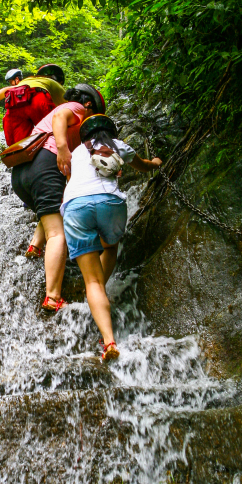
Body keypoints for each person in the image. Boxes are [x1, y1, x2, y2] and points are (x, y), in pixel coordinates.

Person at [61, 113, 162, 361]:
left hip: (76, 207)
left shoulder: (75, 152)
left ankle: (108, 341)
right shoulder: (119, 146)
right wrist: (156, 162)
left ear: (84, 136)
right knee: (110, 247)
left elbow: (68, 179)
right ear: (112, 131)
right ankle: (101, 294)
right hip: (111, 204)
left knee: (91, 282)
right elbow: (143, 166)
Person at [11, 84, 106, 312]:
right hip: (45, 162)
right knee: (58, 232)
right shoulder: (76, 108)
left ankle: (35, 246)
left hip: (22, 172)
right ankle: (52, 297)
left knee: (55, 209)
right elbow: (60, 118)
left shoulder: (71, 130)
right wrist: (62, 148)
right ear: (89, 103)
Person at [0, 63, 66, 146]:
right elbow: (69, 107)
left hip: (15, 99)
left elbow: (5, 90)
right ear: (59, 81)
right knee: (52, 134)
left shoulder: (28, 81)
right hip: (38, 97)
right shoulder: (55, 85)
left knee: (19, 146)